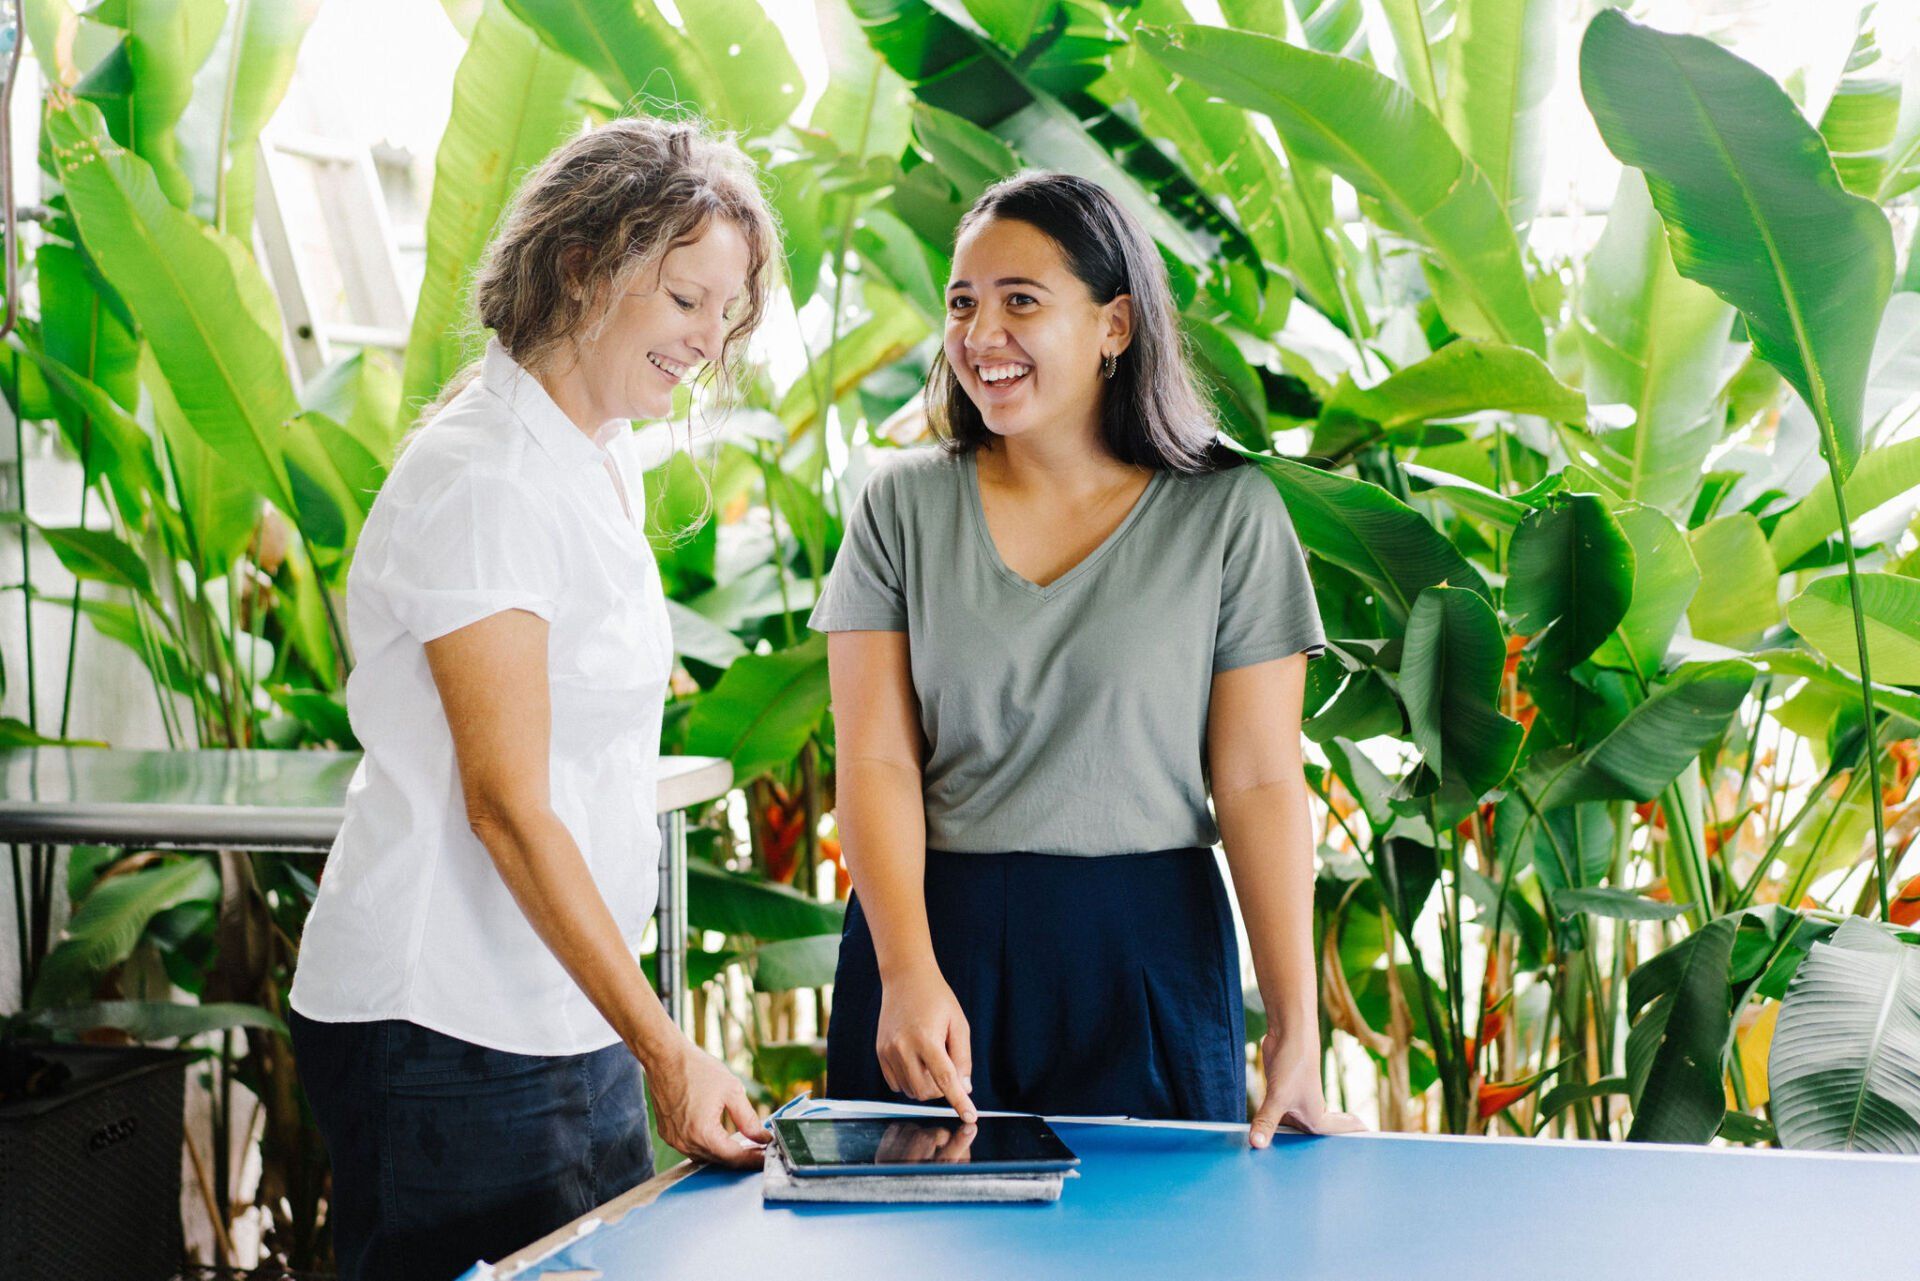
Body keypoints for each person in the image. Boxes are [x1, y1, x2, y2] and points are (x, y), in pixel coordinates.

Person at [287, 116, 779, 1280]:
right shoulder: (486, 475)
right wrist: (668, 1049)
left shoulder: (591, 448)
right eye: (684, 301)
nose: (709, 341)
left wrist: (635, 1043)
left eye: (726, 310)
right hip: (446, 1027)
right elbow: (507, 805)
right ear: (581, 269)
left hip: (561, 1011)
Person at [810, 171, 1364, 1145]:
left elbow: (1261, 781)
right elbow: (877, 760)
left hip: (1146, 947)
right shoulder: (898, 506)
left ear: (1115, 325)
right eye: (963, 303)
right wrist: (906, 973)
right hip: (932, 943)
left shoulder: (1229, 512)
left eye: (1021, 301)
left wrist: (1296, 1030)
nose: (982, 337)